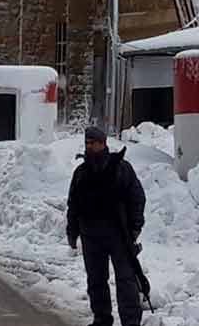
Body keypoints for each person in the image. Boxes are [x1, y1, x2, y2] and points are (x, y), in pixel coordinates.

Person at [67, 126, 146, 326]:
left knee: (126, 280)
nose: (90, 146)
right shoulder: (81, 172)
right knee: (96, 280)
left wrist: (135, 226)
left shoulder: (121, 168)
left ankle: (130, 321)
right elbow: (73, 204)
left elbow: (137, 197)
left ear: (103, 143)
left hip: (118, 234)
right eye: (87, 143)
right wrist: (72, 230)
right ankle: (101, 318)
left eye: (94, 142)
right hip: (90, 235)